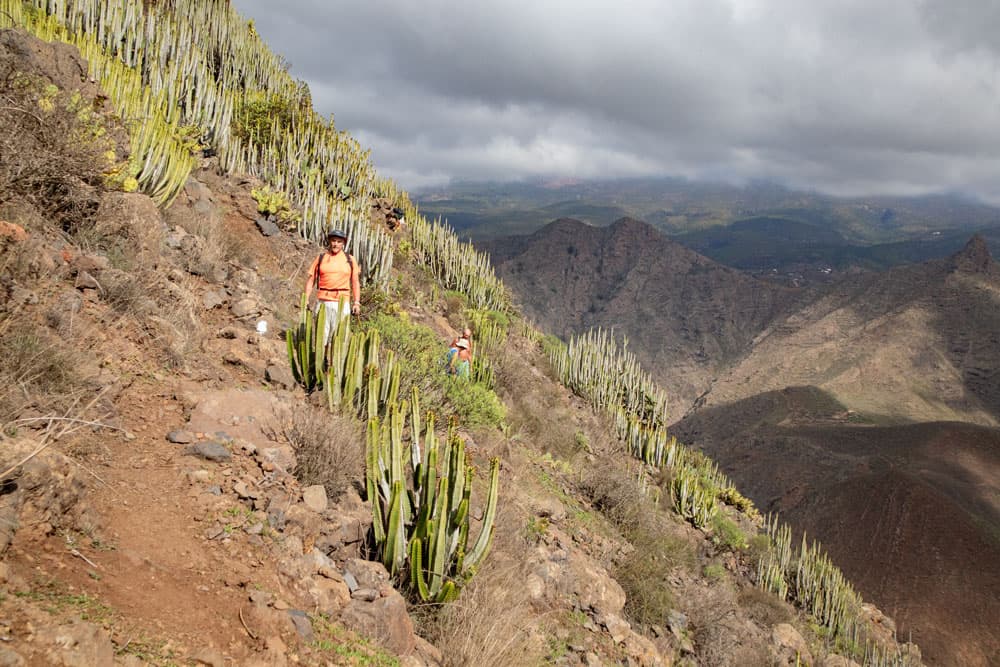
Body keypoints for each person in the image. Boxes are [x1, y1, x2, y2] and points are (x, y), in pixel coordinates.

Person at [303, 229, 361, 344]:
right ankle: (322, 359)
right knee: (322, 336)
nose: (336, 244)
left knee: (339, 337)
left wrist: (356, 302)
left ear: (343, 243)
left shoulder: (350, 260)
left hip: (342, 302)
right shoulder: (321, 258)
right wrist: (306, 298)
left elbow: (355, 282)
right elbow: (311, 280)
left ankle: (334, 361)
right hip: (323, 301)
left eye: (339, 241)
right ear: (330, 241)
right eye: (333, 241)